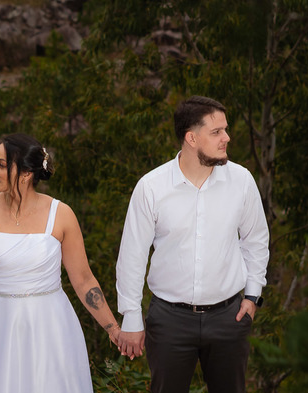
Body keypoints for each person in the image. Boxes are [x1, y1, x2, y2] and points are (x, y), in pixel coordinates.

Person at [115, 95, 270, 393]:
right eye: (216, 132)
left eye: (225, 129)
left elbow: (256, 240)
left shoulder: (242, 180)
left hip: (229, 317)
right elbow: (132, 257)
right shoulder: (151, 187)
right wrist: (131, 317)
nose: (227, 137)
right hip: (170, 321)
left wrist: (253, 295)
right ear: (191, 137)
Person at [0, 133, 121, 392]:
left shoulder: (61, 215)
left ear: (26, 174)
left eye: (1, 164)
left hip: (50, 327)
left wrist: (113, 329)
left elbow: (83, 279)